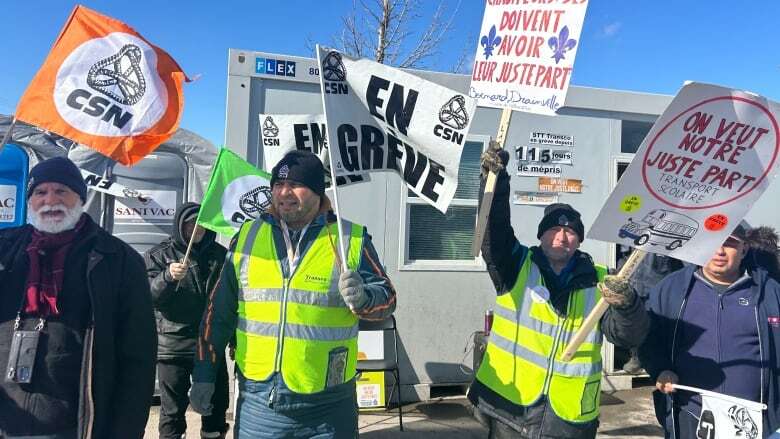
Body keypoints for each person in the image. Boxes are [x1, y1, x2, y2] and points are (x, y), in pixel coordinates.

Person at [190, 150, 396, 438]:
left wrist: (365, 298)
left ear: (317, 191)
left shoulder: (350, 238)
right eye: (277, 184)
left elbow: (387, 298)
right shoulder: (247, 237)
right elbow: (217, 315)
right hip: (260, 405)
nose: (284, 193)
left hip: (330, 406)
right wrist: (203, 373)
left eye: (296, 185)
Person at [468, 142, 650, 438]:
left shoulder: (601, 280)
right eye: (555, 228)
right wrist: (495, 181)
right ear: (541, 235)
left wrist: (627, 305)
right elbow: (494, 227)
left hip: (568, 416)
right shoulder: (516, 265)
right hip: (508, 406)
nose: (562, 236)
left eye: (571, 231)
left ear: (578, 241)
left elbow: (627, 335)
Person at [0, 156, 156, 438]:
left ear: (80, 198)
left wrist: (125, 431)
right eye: (40, 192)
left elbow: (138, 359)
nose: (50, 200)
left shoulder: (117, 259)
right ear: (30, 200)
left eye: (61, 191)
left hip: (76, 425)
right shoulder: (5, 249)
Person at [639, 221, 780, 438]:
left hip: (753, 422)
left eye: (730, 243)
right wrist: (660, 369)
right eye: (712, 242)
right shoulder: (671, 289)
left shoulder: (770, 293)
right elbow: (649, 340)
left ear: (744, 249)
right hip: (690, 416)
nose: (719, 251)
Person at [145, 202, 230, 439]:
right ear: (180, 225)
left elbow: (230, 301)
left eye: (201, 223)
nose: (196, 229)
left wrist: (233, 340)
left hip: (210, 345)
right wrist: (167, 277)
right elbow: (150, 297)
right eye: (191, 223)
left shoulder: (220, 256)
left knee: (216, 406)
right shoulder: (159, 255)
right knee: (172, 411)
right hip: (174, 346)